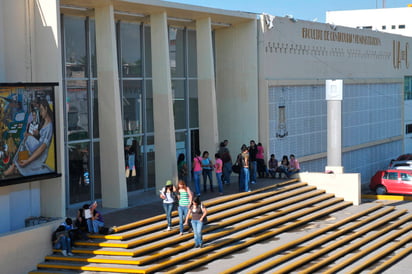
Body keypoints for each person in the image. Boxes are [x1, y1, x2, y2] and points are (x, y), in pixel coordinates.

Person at [4, 100, 54, 177]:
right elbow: (40, 136)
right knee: (25, 138)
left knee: (25, 140)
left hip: (40, 152)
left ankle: (15, 165)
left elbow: (42, 148)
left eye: (41, 110)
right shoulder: (44, 121)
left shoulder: (49, 126)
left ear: (46, 108)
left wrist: (28, 161)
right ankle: (15, 165)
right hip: (37, 146)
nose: (40, 113)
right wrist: (33, 134)